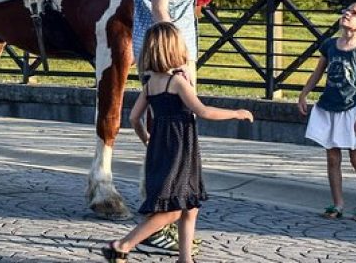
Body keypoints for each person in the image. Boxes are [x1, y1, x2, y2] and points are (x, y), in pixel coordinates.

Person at [101, 22, 253, 263]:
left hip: (161, 149)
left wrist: (147, 140)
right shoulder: (177, 83)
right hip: (181, 151)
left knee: (190, 205)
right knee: (172, 210)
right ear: (173, 50)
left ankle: (185, 258)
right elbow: (202, 111)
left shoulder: (150, 84)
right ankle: (121, 245)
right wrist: (236, 113)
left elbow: (133, 117)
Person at [131, 0, 223, 252]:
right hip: (171, 56)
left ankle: (172, 227)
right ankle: (161, 230)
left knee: (170, 148)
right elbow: (161, 8)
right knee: (177, 151)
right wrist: (176, 66)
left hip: (155, 51)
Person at [298, 1, 356, 222]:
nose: (347, 14)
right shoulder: (330, 45)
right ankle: (337, 203)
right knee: (332, 158)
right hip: (328, 107)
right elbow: (317, 73)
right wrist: (304, 94)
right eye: (346, 11)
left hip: (350, 109)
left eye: (354, 13)